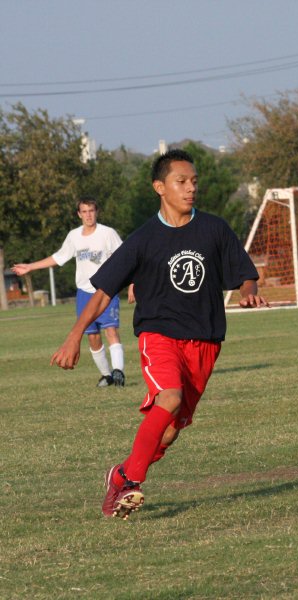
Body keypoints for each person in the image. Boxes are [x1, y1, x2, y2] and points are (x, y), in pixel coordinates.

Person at [50, 149, 269, 519]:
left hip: (205, 341)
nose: (190, 188)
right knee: (168, 398)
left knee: (169, 433)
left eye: (194, 181)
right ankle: (132, 484)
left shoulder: (214, 229)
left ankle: (119, 474)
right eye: (181, 182)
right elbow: (103, 291)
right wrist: (75, 336)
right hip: (159, 334)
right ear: (159, 187)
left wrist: (248, 293)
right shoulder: (143, 239)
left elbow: (245, 273)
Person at [13, 198, 128, 387]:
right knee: (92, 336)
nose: (88, 215)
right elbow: (59, 258)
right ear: (79, 214)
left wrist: (132, 283)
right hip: (84, 291)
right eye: (84, 211)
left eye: (91, 210)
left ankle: (118, 373)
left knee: (111, 330)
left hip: (106, 290)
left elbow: (125, 258)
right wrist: (30, 267)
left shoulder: (108, 233)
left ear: (96, 212)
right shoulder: (74, 236)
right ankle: (106, 375)